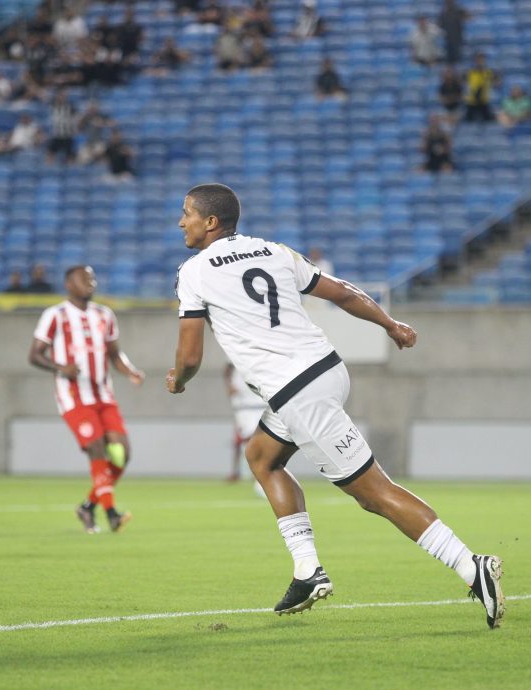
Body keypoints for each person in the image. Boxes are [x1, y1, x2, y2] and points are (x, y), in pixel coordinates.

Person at [167, 184, 504, 627]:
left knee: (374, 494)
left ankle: (471, 567)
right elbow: (342, 292)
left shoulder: (193, 271)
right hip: (326, 370)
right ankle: (307, 571)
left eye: (186, 213)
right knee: (262, 457)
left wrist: (178, 380)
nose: (180, 221)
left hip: (298, 394)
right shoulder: (273, 251)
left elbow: (190, 356)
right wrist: (390, 323)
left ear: (210, 222)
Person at [29, 265, 145, 533]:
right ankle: (112, 513)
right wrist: (61, 367)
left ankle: (88, 506)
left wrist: (130, 371)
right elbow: (34, 355)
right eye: (84, 278)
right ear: (69, 284)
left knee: (122, 456)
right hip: (73, 396)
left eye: (92, 277)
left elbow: (115, 354)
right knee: (95, 447)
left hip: (104, 394)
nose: (91, 281)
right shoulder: (55, 315)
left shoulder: (105, 315)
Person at [224, 361, 267, 485]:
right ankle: (249, 471)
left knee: (260, 438)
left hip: (260, 402)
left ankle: (260, 470)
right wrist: (229, 384)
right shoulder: (234, 345)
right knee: (245, 439)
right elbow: (228, 367)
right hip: (243, 405)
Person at [464, 52, 498, 123]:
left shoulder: (489, 72)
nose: (480, 62)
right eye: (478, 60)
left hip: (484, 100)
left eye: (481, 60)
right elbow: (465, 84)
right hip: (472, 101)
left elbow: (496, 82)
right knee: (468, 122)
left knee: (488, 121)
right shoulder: (470, 72)